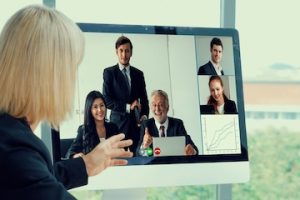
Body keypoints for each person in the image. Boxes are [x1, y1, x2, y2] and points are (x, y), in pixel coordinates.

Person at [0, 5, 132, 199]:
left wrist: (86, 164)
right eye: (71, 68)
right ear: (50, 74)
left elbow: (39, 181)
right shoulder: (16, 150)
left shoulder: (9, 137)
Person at [102, 35, 149, 155]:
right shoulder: (109, 73)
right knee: (119, 158)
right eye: (121, 51)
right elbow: (107, 100)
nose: (124, 54)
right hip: (117, 125)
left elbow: (144, 99)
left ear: (131, 52)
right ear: (116, 52)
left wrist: (144, 116)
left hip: (136, 125)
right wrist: (128, 107)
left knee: (139, 156)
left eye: (127, 51)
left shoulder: (138, 74)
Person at [136, 90, 198, 156]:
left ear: (167, 107)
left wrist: (192, 151)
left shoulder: (177, 124)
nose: (157, 109)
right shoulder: (146, 125)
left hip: (174, 164)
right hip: (154, 165)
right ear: (151, 108)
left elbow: (194, 149)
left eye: (161, 105)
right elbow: (138, 154)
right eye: (154, 105)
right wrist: (144, 146)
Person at [66, 90, 120, 158]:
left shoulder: (113, 127)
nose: (100, 110)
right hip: (93, 167)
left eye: (102, 105)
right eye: (95, 107)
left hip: (113, 166)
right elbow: (70, 153)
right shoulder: (83, 130)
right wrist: (76, 155)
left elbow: (121, 148)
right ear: (89, 110)